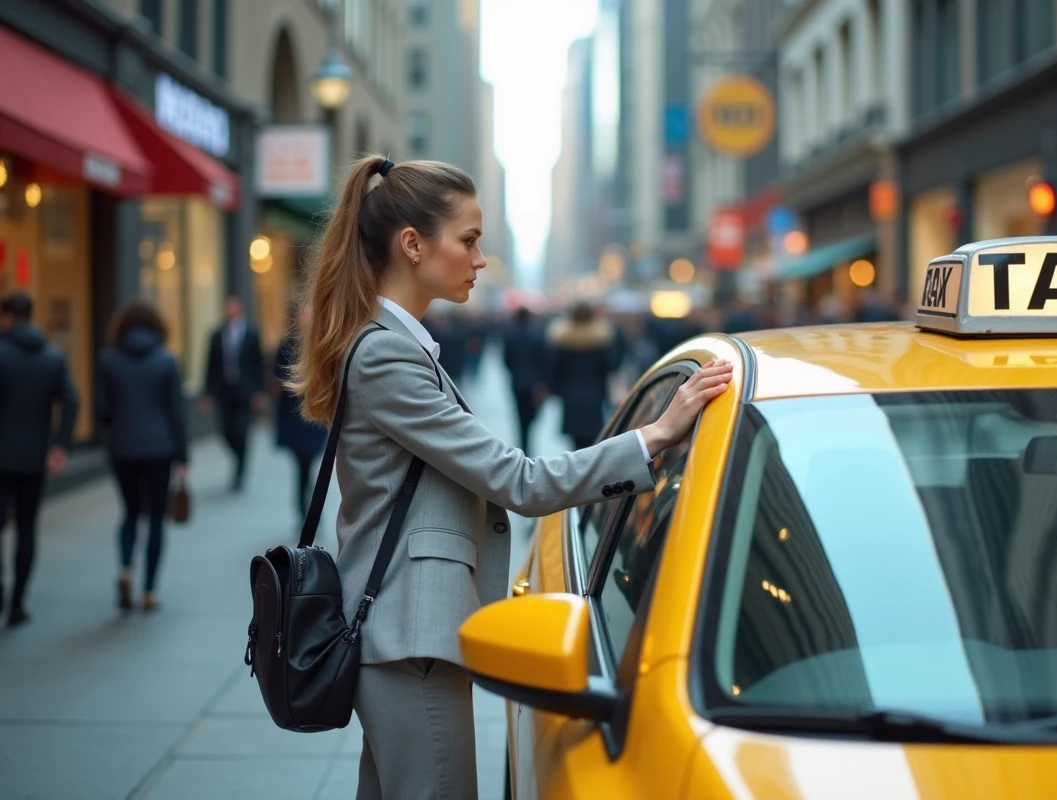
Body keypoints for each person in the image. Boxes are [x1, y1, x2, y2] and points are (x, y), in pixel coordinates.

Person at [285, 155, 731, 800]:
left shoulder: (396, 345)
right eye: (468, 240)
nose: (481, 258)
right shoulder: (386, 354)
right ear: (413, 244)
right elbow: (517, 481)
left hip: (404, 635)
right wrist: (657, 435)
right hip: (408, 639)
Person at [95, 301, 188, 613]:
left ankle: (125, 568)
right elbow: (177, 413)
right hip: (160, 448)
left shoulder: (108, 360)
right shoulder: (166, 360)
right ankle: (149, 591)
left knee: (131, 512)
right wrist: (183, 457)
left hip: (122, 448)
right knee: (157, 519)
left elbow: (101, 412)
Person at [0, 292, 78, 627]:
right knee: (27, 527)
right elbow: (71, 401)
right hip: (35, 456)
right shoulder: (52, 356)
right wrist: (59, 446)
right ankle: (17, 602)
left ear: (6, 317)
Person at [202, 296, 266, 491]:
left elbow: (258, 364)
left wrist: (259, 392)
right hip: (224, 391)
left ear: (240, 309)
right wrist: (207, 393)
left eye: (233, 307)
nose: (229, 310)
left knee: (241, 431)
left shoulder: (251, 334)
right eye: (227, 307)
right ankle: (239, 457)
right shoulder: (216, 334)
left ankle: (240, 470)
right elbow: (210, 365)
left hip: (245, 391)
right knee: (225, 431)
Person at [272, 303, 327, 519]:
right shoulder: (286, 345)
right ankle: (305, 511)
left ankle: (308, 510)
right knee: (302, 465)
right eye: (304, 315)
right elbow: (278, 375)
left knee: (308, 463)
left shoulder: (322, 343)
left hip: (315, 412)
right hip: (293, 412)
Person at [547, 302, 622, 451]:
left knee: (575, 441)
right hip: (594, 394)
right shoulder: (600, 338)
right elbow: (611, 365)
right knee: (592, 438)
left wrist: (556, 390)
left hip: (570, 394)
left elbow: (554, 369)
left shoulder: (563, 338)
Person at [501, 306, 548, 453]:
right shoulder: (538, 334)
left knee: (519, 416)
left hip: (517, 382)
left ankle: (523, 444)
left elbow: (506, 360)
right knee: (532, 414)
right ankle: (527, 443)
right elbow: (544, 360)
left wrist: (515, 372)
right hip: (534, 384)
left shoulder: (510, 334)